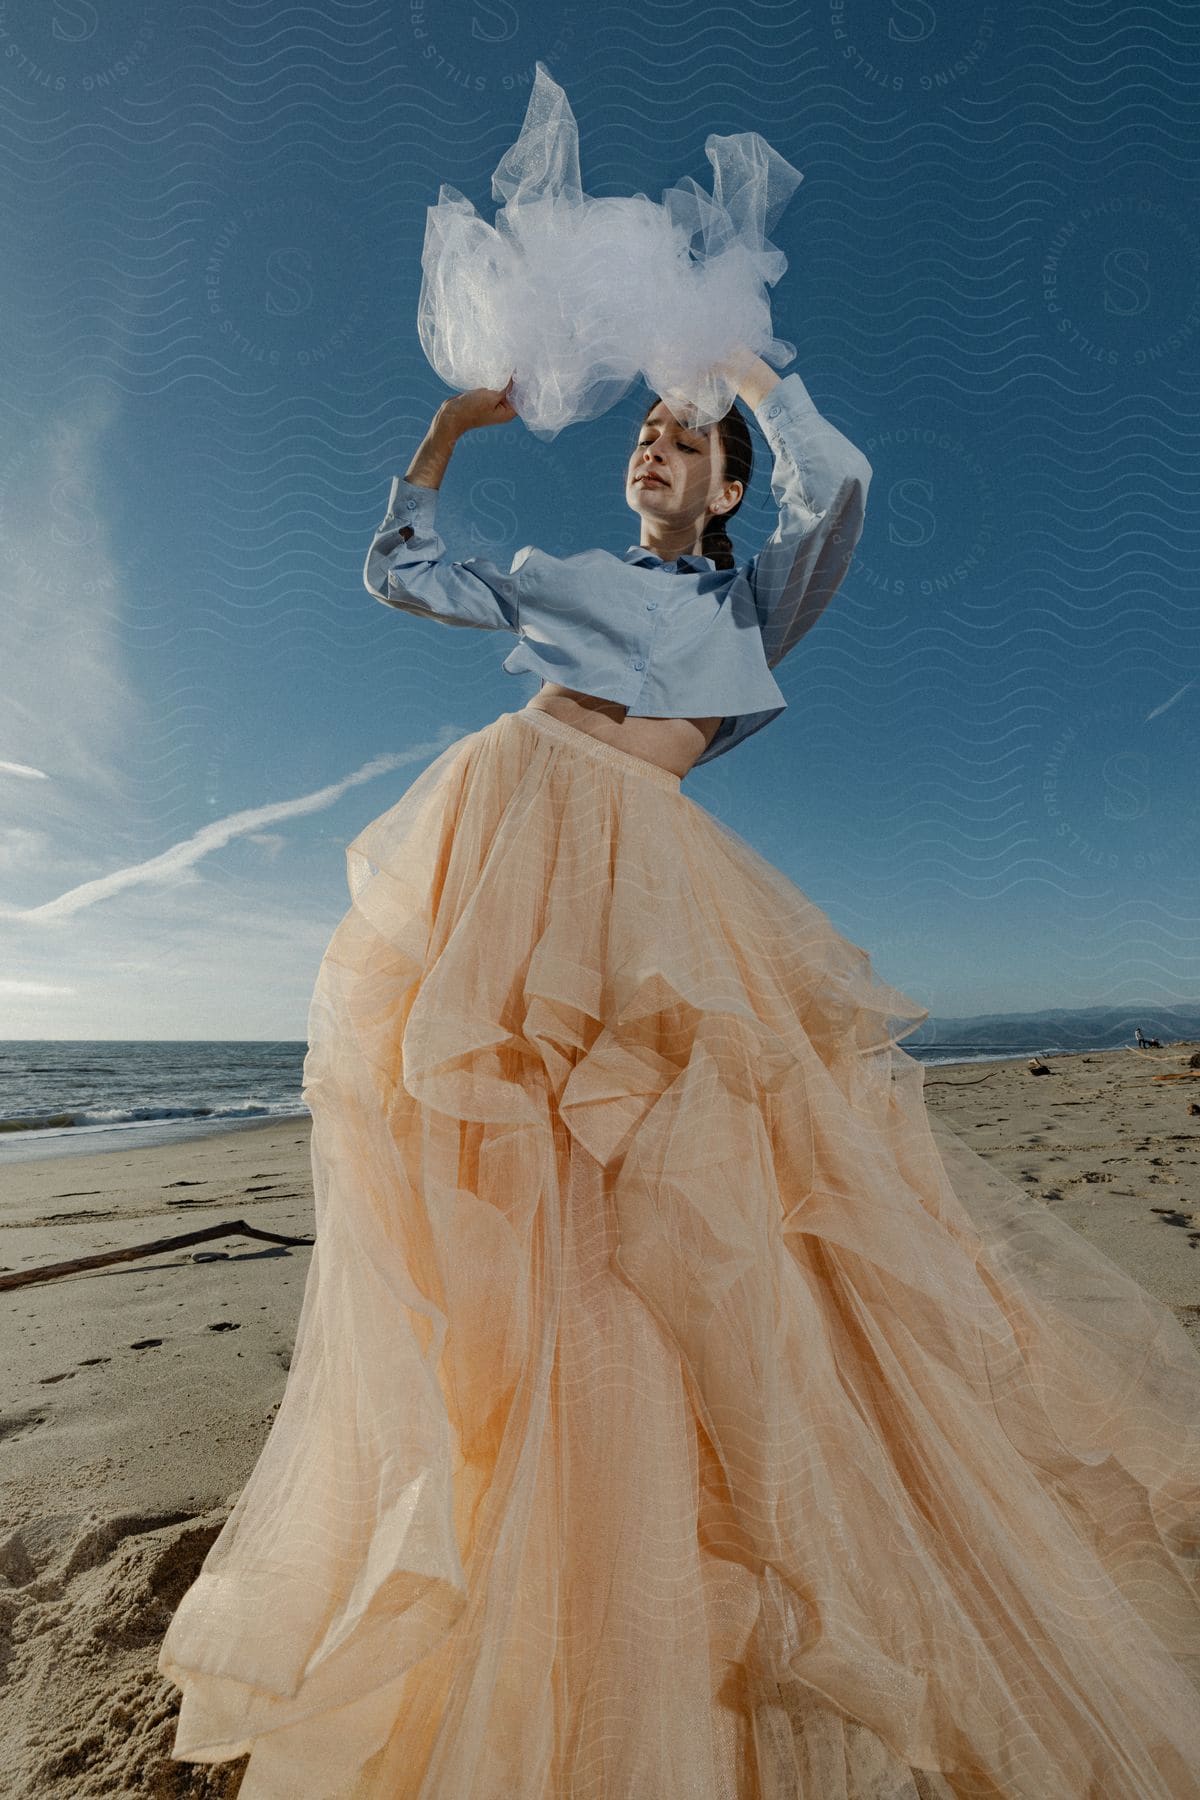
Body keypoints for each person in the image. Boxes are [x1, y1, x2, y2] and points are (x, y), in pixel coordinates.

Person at [157, 352, 1200, 1800]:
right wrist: (452, 426)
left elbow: (843, 488)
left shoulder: (754, 605)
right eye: (646, 433)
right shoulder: (558, 576)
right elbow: (399, 570)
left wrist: (754, 380)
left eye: (683, 440)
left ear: (723, 491)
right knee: (499, 1173)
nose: (654, 447)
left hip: (643, 890)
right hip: (503, 848)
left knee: (680, 1193)